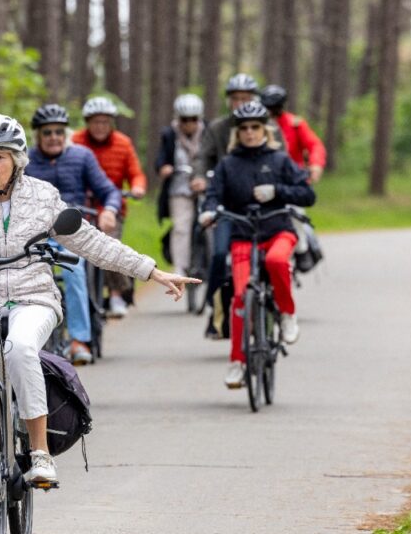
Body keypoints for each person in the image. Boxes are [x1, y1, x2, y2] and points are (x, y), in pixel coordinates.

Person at [0, 114, 198, 497]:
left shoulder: (43, 196)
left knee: (22, 349)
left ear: (18, 159)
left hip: (34, 298)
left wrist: (151, 271)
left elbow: (94, 243)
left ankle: (40, 453)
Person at [199, 101, 315, 389]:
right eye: (244, 128)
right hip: (243, 234)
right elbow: (214, 194)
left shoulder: (279, 160)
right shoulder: (228, 164)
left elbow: (307, 194)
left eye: (255, 127)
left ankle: (287, 314)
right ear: (237, 133)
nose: (250, 133)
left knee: (277, 262)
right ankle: (237, 362)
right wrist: (209, 210)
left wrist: (278, 191)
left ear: (264, 129)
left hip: (278, 230)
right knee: (239, 297)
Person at [24, 103, 124, 365]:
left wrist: (109, 210)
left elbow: (108, 191)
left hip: (74, 228)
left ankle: (79, 339)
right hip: (38, 232)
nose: (54, 137)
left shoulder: (82, 156)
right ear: (38, 136)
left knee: (74, 268)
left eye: (59, 131)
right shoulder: (26, 162)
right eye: (47, 132)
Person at [191, 73, 287, 340]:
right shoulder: (218, 128)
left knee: (278, 256)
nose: (239, 103)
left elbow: (285, 163)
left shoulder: (271, 128)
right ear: (228, 101)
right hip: (228, 206)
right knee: (220, 255)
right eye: (235, 99)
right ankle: (216, 308)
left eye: (245, 98)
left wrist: (283, 189)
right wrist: (199, 178)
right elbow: (202, 157)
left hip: (267, 208)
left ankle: (277, 307)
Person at [71, 96, 147, 319]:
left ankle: (116, 294)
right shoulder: (75, 141)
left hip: (111, 207)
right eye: (95, 122)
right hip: (81, 206)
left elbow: (136, 173)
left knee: (109, 244)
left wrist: (137, 188)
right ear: (87, 122)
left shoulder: (123, 143)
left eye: (105, 122)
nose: (100, 127)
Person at [155, 93, 206, 278]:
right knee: (181, 227)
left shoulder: (208, 132)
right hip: (180, 188)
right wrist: (164, 168)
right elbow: (160, 159)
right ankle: (180, 268)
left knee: (212, 222)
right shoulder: (169, 134)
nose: (189, 124)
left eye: (193, 119)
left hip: (204, 187)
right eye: (185, 119)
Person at [259, 84, 327, 184]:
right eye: (267, 108)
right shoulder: (257, 125)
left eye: (274, 108)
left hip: (292, 177)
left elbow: (314, 145)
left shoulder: (294, 124)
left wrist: (316, 164)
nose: (270, 113)